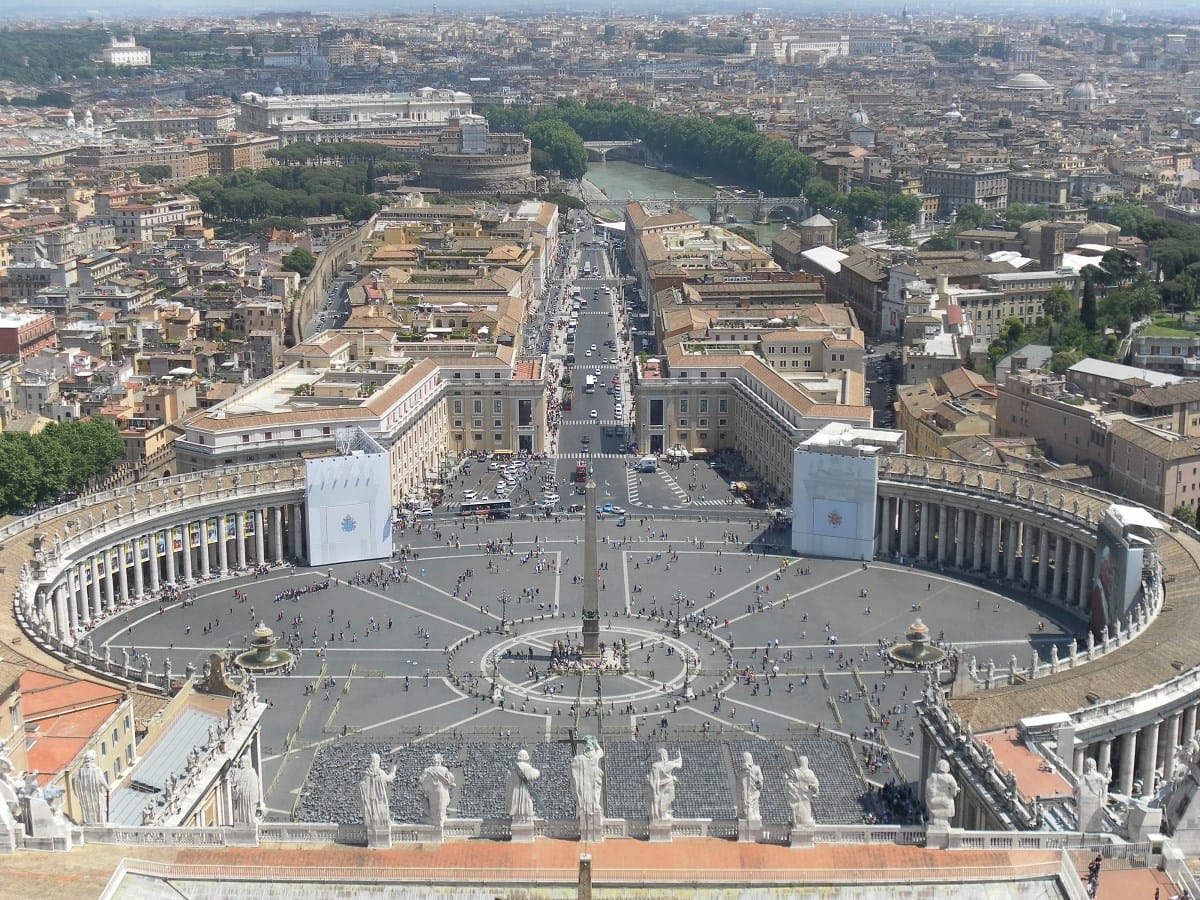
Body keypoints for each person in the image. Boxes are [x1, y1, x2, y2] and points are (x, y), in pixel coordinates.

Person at [570, 736, 605, 841]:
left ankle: (589, 825)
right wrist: (596, 743)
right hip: (592, 784)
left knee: (588, 801)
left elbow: (572, 771)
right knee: (593, 801)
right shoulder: (594, 756)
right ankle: (591, 826)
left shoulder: (579, 759)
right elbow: (601, 751)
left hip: (586, 785)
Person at [358, 752, 397, 830]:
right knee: (381, 813)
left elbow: (362, 786)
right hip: (380, 800)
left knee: (374, 815)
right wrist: (393, 771)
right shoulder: (381, 773)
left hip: (371, 799)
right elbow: (389, 778)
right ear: (378, 762)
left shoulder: (366, 774)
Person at [645, 747, 683, 823]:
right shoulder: (669, 764)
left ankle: (662, 814)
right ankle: (663, 814)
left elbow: (653, 779)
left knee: (662, 800)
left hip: (659, 786)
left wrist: (653, 787)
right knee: (667, 799)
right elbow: (679, 764)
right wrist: (679, 755)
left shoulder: (656, 766)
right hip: (669, 784)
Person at [72, 750, 110, 825]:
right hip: (97, 797)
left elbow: (75, 789)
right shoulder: (97, 770)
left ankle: (90, 824)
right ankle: (101, 824)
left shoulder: (77, 774)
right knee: (100, 811)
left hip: (85, 799)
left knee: (88, 812)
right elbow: (104, 783)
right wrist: (107, 788)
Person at [419, 753, 455, 827]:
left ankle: (436, 820)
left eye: (434, 759)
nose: (433, 760)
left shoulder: (428, 770)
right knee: (440, 807)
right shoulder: (444, 769)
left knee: (435, 808)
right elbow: (451, 779)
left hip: (433, 792)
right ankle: (439, 820)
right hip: (441, 791)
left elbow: (421, 780)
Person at [507, 748, 541, 826]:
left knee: (516, 802)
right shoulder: (528, 767)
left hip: (516, 789)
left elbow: (510, 778)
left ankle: (517, 818)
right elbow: (536, 774)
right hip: (525, 789)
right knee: (526, 802)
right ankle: (526, 818)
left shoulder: (513, 768)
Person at [786, 756, 820, 827]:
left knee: (802, 809)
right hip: (805, 796)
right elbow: (815, 783)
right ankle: (801, 820)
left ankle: (800, 820)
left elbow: (789, 781)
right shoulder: (810, 773)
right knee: (805, 809)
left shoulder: (795, 772)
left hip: (800, 797)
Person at [925, 758, 959, 827]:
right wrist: (953, 793)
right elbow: (954, 787)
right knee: (950, 801)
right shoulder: (949, 777)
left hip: (934, 801)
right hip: (946, 802)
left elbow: (929, 789)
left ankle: (933, 819)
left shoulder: (933, 776)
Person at [230, 755, 261, 826]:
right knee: (242, 812)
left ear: (247, 763)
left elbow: (255, 786)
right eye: (240, 762)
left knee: (249, 811)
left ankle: (248, 820)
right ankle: (243, 821)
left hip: (249, 798)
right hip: (242, 797)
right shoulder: (240, 772)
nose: (241, 764)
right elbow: (234, 782)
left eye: (242, 762)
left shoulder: (252, 772)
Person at [738, 751, 764, 822]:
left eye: (746, 758)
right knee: (747, 814)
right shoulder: (741, 771)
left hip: (754, 793)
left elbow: (760, 781)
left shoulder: (756, 768)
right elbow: (740, 784)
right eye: (743, 758)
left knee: (751, 815)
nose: (744, 759)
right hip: (745, 794)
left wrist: (750, 771)